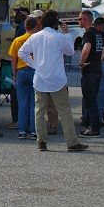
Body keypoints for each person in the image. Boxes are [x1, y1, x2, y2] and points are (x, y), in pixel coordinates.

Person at [18, 9, 88, 152]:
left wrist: (34, 64)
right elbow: (70, 51)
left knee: (39, 111)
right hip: (57, 79)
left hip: (40, 78)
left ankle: (41, 141)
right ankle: (71, 142)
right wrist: (67, 33)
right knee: (64, 111)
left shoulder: (35, 37)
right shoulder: (59, 37)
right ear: (56, 24)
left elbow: (22, 52)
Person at [8, 15, 40, 139]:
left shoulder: (18, 40)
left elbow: (13, 59)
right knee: (34, 102)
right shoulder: (38, 39)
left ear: (24, 27)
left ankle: (21, 130)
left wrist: (14, 75)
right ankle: (33, 130)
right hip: (34, 71)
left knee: (22, 102)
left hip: (21, 71)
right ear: (36, 26)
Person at [77, 12, 104, 137]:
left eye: (79, 19)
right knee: (93, 98)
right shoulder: (98, 33)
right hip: (98, 69)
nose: (78, 21)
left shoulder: (88, 33)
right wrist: (96, 60)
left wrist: (81, 63)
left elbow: (86, 48)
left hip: (89, 71)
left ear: (85, 20)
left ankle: (94, 128)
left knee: (89, 100)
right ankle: (92, 125)